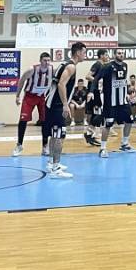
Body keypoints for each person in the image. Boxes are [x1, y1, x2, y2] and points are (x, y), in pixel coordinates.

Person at [45, 42, 86, 178]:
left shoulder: (64, 64)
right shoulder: (71, 66)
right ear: (78, 53)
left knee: (54, 134)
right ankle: (56, 168)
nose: (85, 55)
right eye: (84, 52)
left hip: (51, 104)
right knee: (59, 136)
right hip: (57, 105)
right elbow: (61, 84)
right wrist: (65, 104)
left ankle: (51, 163)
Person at [94, 49, 136, 158]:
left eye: (122, 53)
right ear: (114, 55)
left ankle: (125, 144)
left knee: (129, 121)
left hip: (123, 102)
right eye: (119, 53)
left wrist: (127, 93)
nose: (121, 55)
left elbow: (123, 82)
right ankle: (103, 148)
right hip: (110, 103)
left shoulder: (125, 65)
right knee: (108, 124)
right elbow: (96, 79)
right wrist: (92, 93)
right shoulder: (108, 66)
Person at [12, 52, 53, 157]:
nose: (47, 62)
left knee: (45, 121)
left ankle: (45, 146)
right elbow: (22, 80)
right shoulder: (32, 69)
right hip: (29, 97)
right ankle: (19, 145)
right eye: (45, 60)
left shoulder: (52, 70)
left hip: (42, 97)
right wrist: (17, 96)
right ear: (40, 60)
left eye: (48, 60)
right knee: (23, 120)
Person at [84, 50, 110, 146]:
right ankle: (89, 133)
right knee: (99, 114)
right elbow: (88, 76)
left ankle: (90, 134)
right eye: (106, 55)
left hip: (98, 93)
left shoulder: (103, 65)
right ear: (101, 55)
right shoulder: (97, 64)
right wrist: (98, 81)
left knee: (98, 114)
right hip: (94, 93)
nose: (107, 56)